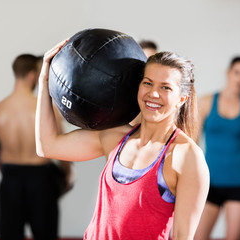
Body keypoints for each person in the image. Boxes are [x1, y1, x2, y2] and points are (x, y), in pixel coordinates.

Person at [35, 40, 209, 239]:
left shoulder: (186, 156)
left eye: (165, 88)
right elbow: (48, 146)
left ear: (181, 99)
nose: (153, 93)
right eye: (148, 83)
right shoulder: (116, 137)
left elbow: (182, 237)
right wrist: (44, 81)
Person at [0, 54, 72, 240]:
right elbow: (61, 146)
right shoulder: (44, 109)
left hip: (10, 180)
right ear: (33, 75)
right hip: (40, 180)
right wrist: (67, 174)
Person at [194, 56, 240, 240]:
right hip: (209, 184)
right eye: (237, 73)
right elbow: (193, 146)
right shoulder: (205, 102)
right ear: (228, 73)